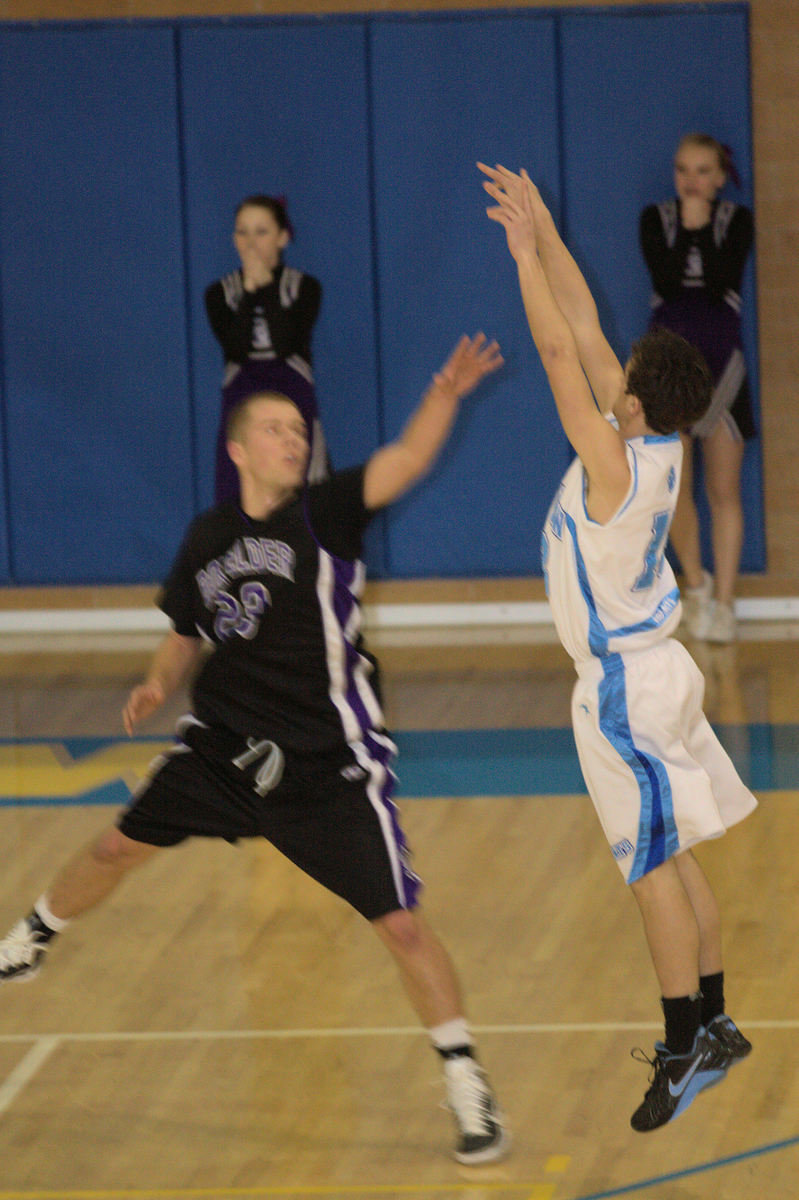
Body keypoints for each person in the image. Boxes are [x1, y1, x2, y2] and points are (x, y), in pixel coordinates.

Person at [0, 334, 509, 1165]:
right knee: (112, 844)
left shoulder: (328, 512)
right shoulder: (207, 538)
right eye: (275, 428)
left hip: (328, 766)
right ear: (238, 448)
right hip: (223, 751)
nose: (293, 437)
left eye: (298, 429)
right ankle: (30, 938)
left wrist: (445, 394)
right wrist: (157, 682)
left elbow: (407, 458)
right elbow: (181, 633)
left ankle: (464, 1081)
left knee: (403, 930)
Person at [480, 163, 757, 1133]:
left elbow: (559, 348)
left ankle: (683, 1045)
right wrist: (548, 231)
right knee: (676, 858)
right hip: (661, 672)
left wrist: (521, 259)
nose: (612, 378)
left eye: (622, 382)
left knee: (649, 873)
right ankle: (716, 1022)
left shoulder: (610, 461)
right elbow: (589, 327)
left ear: (634, 401)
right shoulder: (660, 439)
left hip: (621, 692)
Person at [640, 134, 756, 643]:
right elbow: (666, 284)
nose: (691, 180)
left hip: (723, 371)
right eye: (683, 169)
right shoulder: (655, 220)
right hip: (668, 373)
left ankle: (726, 607)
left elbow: (718, 284)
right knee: (675, 489)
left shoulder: (736, 222)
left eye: (703, 171)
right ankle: (697, 586)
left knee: (723, 491)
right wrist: (685, 226)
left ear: (719, 176)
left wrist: (700, 227)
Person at [205, 194, 329, 501]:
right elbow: (235, 349)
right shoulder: (219, 293)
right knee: (239, 493)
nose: (250, 242)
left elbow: (287, 344)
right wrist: (249, 291)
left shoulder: (306, 288)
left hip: (294, 398)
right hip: (242, 403)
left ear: (282, 237)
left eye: (261, 232)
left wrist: (266, 288)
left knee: (306, 493)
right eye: (242, 232)